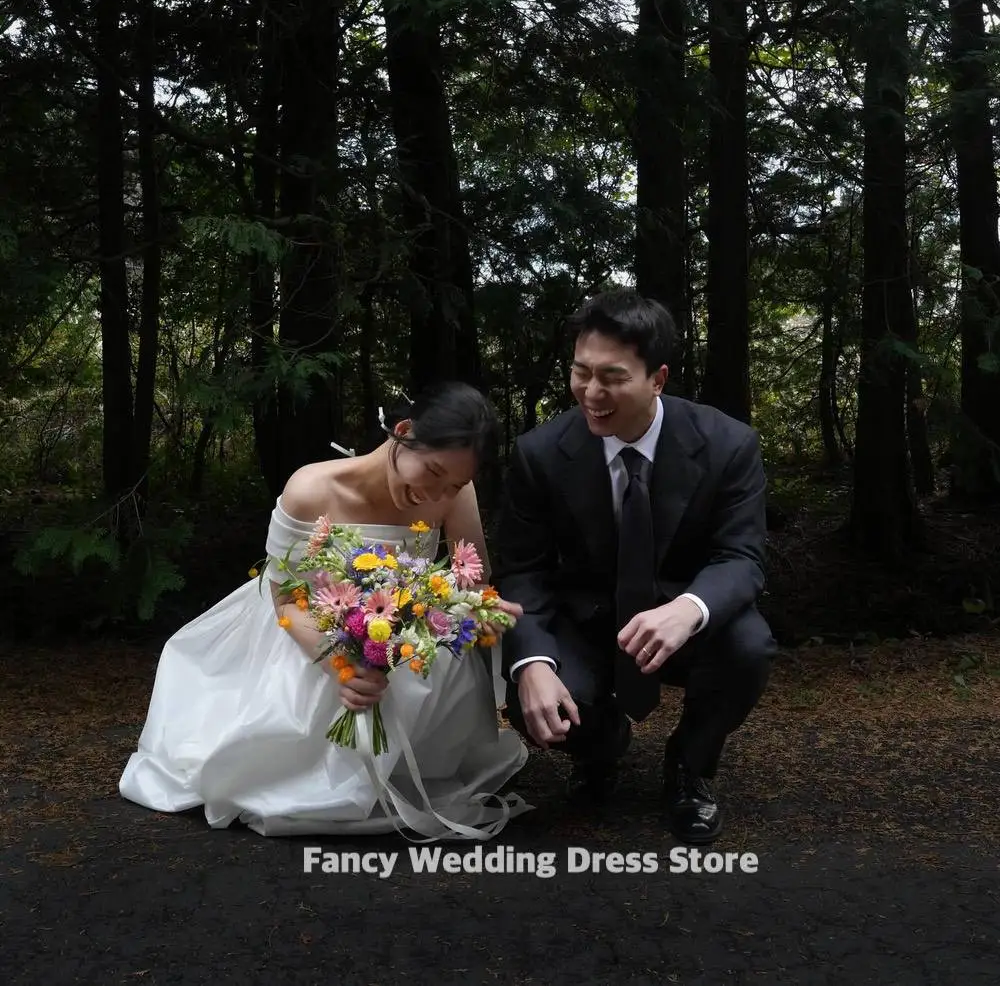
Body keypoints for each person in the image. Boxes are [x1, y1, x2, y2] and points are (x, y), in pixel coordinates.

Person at [120, 381, 530, 839]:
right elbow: (283, 598)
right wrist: (342, 665)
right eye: (432, 471)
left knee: (443, 662)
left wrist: (449, 612)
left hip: (402, 632)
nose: (437, 493)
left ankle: (410, 760)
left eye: (453, 484)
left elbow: (472, 576)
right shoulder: (311, 489)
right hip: (307, 629)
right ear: (404, 431)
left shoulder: (453, 490)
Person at [493, 289, 776, 843]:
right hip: (587, 622)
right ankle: (600, 748)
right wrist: (530, 663)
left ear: (658, 378)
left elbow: (742, 557)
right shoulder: (539, 453)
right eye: (580, 373)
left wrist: (689, 609)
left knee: (748, 644)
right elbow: (523, 570)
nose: (591, 393)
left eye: (613, 377)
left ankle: (688, 767)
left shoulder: (728, 445)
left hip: (681, 626)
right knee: (530, 694)